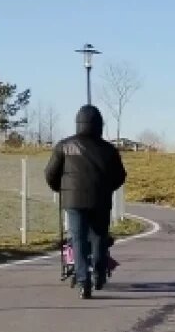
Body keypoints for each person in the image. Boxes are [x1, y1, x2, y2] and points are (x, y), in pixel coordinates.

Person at [45, 105, 126, 299]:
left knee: (78, 238)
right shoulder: (108, 149)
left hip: (73, 201)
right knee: (99, 238)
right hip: (100, 199)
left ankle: (83, 281)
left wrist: (61, 189)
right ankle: (99, 275)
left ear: (78, 123)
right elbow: (120, 176)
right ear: (99, 124)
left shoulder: (64, 146)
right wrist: (108, 188)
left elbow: (50, 174)